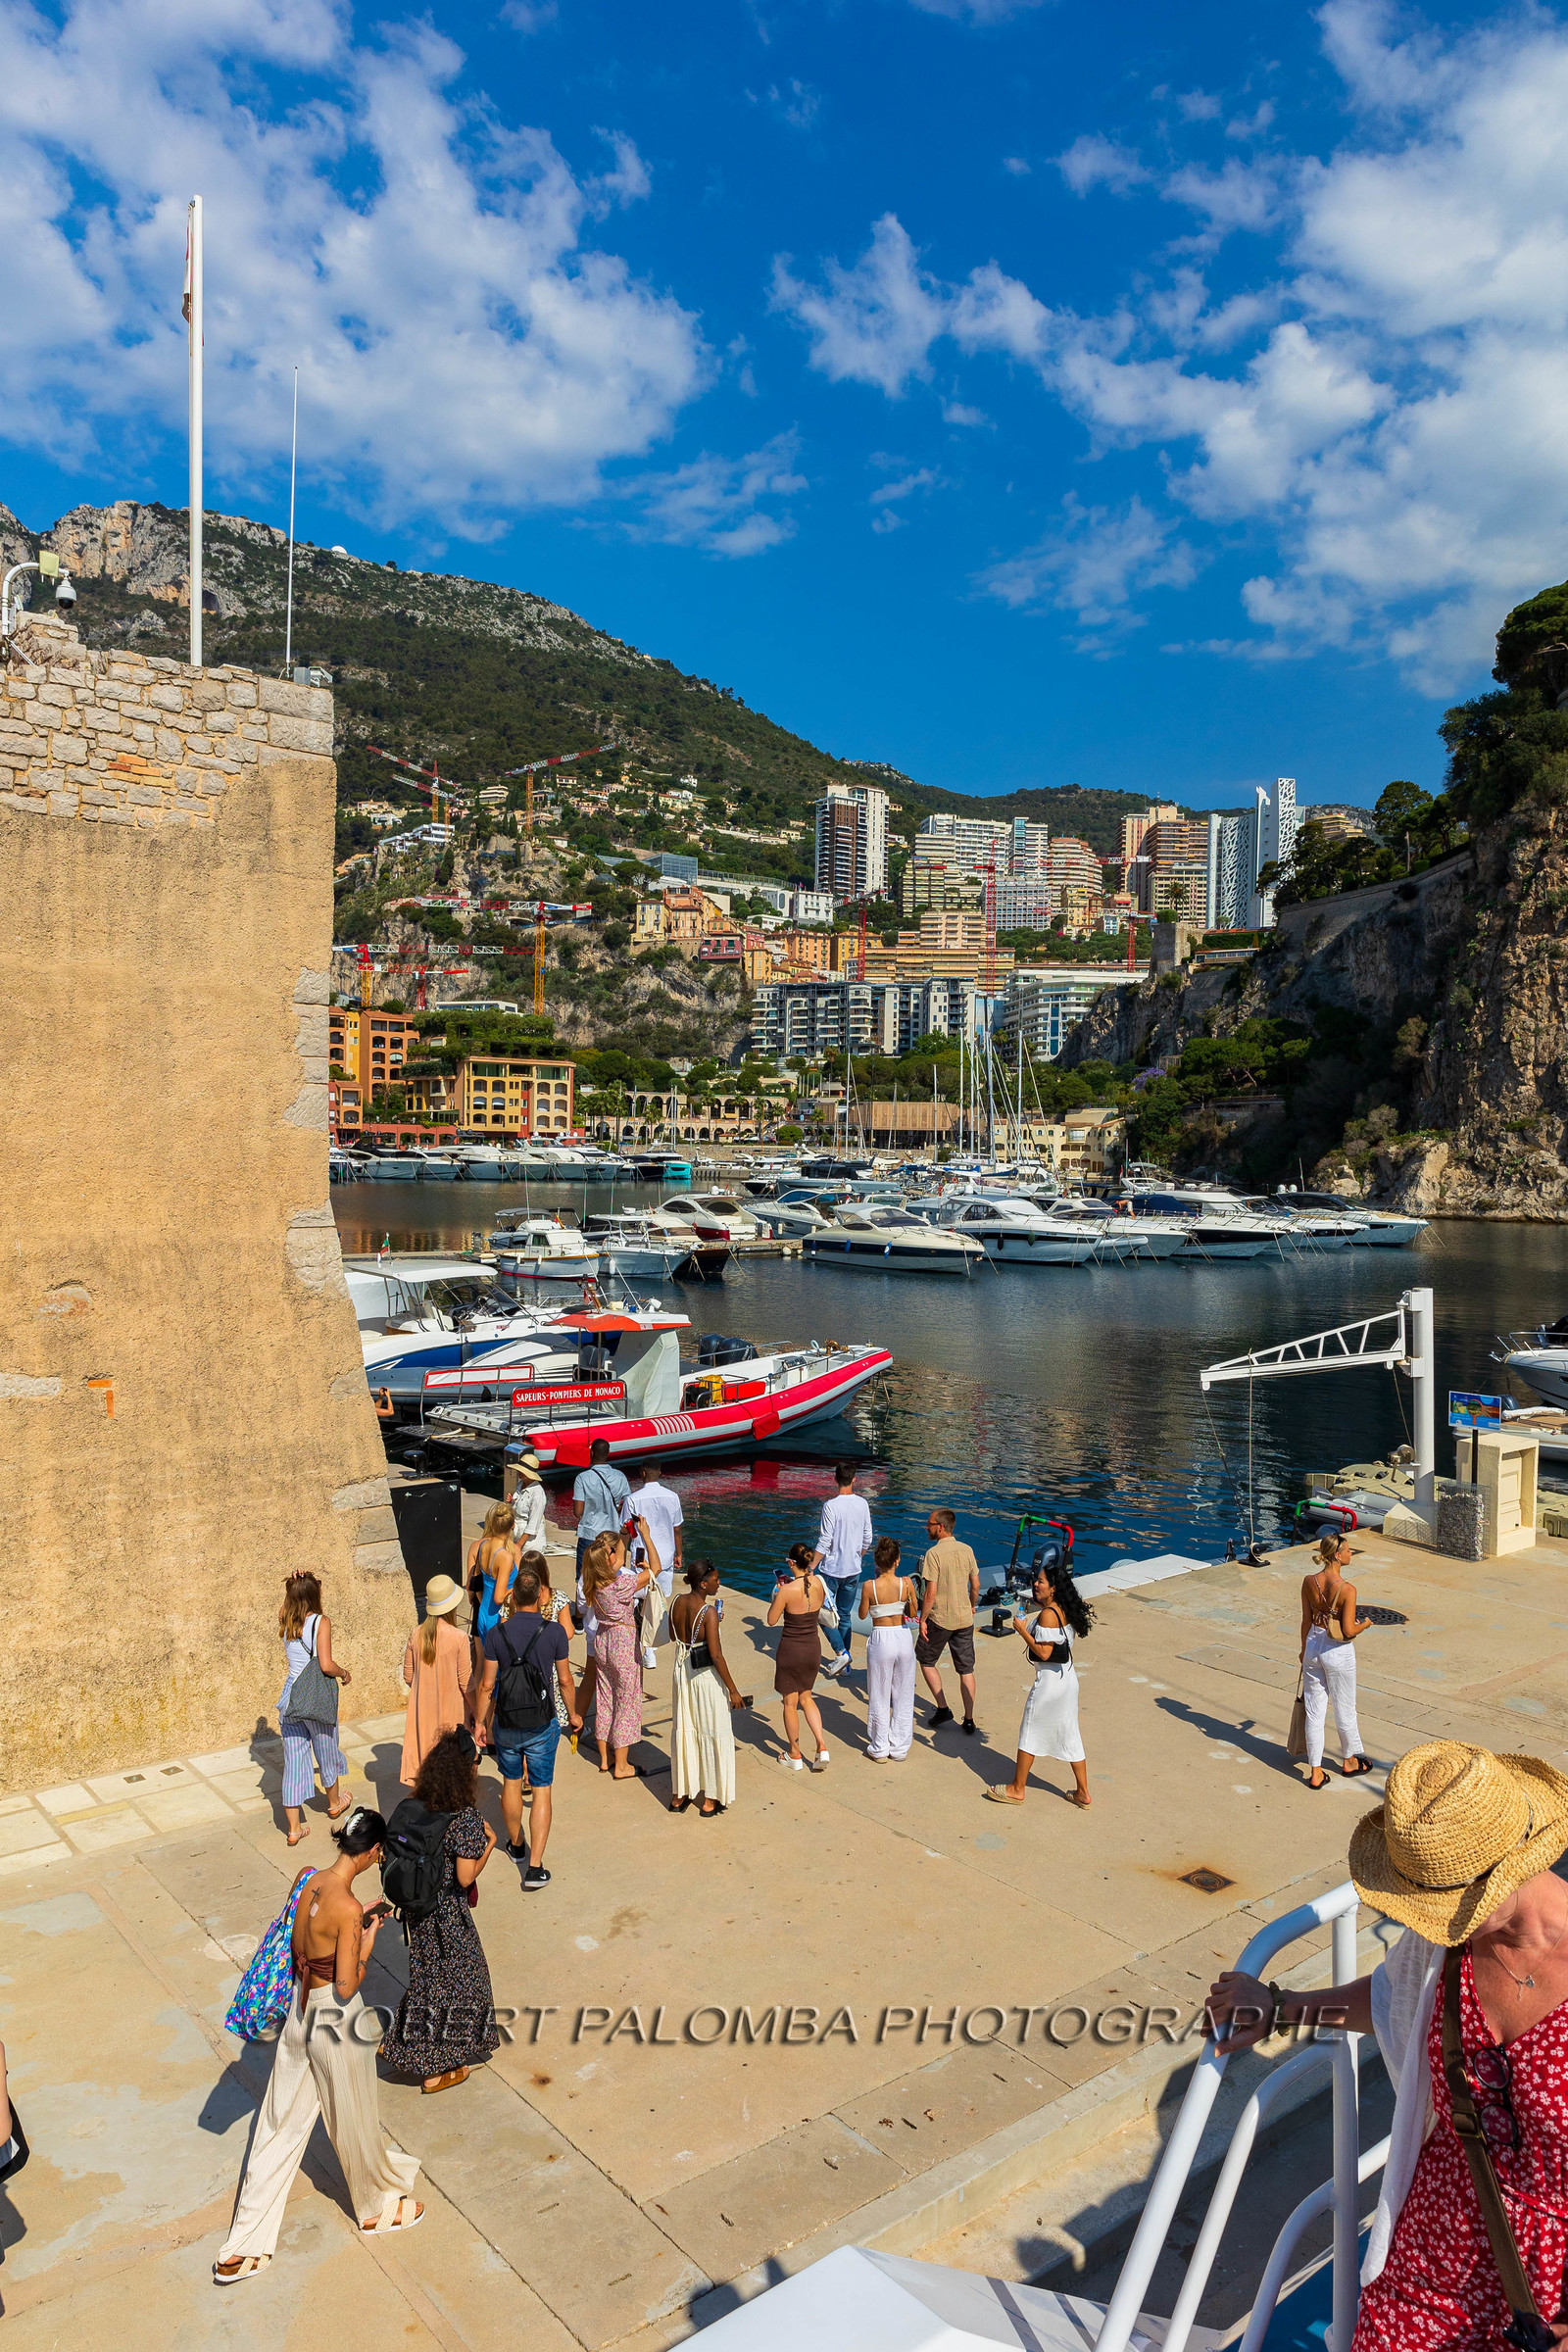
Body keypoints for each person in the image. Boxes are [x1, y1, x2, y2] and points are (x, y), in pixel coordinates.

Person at [1208, 1740, 1568, 2352]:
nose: (1427, 1920)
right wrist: (1281, 2006)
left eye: (1443, 1901)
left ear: (1511, 1865)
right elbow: (1389, 1998)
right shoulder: (1447, 1941)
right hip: (1432, 2242)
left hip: (1553, 2285)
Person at [214, 1807, 422, 2281]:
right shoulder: (349, 1908)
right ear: (372, 1852)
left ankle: (242, 2245)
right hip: (334, 2017)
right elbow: (347, 1985)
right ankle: (375, 2208)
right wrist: (365, 1941)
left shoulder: (306, 1878)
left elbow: (306, 1937)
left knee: (276, 2124)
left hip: (298, 2011)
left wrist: (352, 1926)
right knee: (353, 2115)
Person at [380, 1731, 501, 2094]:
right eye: (476, 1762)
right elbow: (465, 1876)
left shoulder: (416, 1803)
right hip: (448, 1915)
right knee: (464, 1983)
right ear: (466, 1770)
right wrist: (490, 1845)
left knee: (428, 1978)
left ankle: (399, 2043)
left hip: (418, 1911)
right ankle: (434, 2070)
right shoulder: (464, 1818)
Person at [476, 1560, 581, 1890]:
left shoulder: (496, 1634)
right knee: (541, 1789)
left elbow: (486, 1685)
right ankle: (535, 1867)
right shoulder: (554, 1633)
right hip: (542, 1722)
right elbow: (565, 1680)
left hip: (506, 1722)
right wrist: (574, 1715)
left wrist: (480, 1722)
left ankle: (517, 1845)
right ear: (539, 1597)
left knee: (510, 1782)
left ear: (513, 1598)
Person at [985, 1557, 1095, 1807]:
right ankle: (1083, 1792)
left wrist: (1022, 1630)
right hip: (1067, 1679)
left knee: (1030, 1731)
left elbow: (1044, 1653)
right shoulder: (1063, 1608)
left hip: (1049, 1684)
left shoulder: (1047, 1615)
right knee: (1070, 1734)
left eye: (1041, 1581)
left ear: (1053, 1588)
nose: (1036, 1584)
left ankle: (1017, 1789)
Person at [277, 1573, 353, 1846]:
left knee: (294, 1761)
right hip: (315, 1698)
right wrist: (344, 1673)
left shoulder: (286, 1618)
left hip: (291, 1698)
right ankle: (334, 1804)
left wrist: (294, 1585)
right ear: (314, 1595)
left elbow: (286, 1605)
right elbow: (326, 1665)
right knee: (326, 1750)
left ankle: (294, 1829)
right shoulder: (321, 1622)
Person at [668, 1558, 748, 1815]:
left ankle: (680, 1794)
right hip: (704, 1677)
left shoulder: (677, 1601)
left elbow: (672, 1635)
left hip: (682, 1671)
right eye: (715, 1580)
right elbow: (716, 1656)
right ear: (703, 1584)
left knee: (685, 1727)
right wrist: (733, 1690)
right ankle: (710, 1799)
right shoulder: (709, 1612)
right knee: (713, 1730)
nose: (719, 1583)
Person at [582, 1524, 657, 1778]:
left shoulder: (594, 1582)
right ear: (610, 1557)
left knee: (605, 1698)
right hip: (622, 1642)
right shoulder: (620, 1583)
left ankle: (605, 1758)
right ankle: (622, 1765)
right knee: (626, 1701)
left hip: (603, 1640)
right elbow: (656, 1569)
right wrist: (646, 1536)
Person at [1300, 1532, 1373, 1790]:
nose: (1351, 1553)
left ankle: (1316, 1772)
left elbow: (1306, 1621)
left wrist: (1303, 1651)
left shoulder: (1309, 1581)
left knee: (1314, 1711)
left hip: (1313, 1646)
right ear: (1338, 1556)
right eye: (1349, 1550)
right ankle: (1349, 1761)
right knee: (1344, 1707)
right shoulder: (1347, 1590)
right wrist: (1365, 1624)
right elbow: (1348, 1630)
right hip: (1337, 1651)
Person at [400, 1574, 474, 1788]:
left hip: (421, 1714)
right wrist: (477, 1713)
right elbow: (466, 1683)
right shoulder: (459, 1637)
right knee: (452, 1776)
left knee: (424, 1774)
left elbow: (408, 1676)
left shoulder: (416, 1634)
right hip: (452, 1715)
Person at [916, 1507, 980, 1735]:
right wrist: (971, 1605)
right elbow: (976, 1585)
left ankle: (943, 1707)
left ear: (940, 1527)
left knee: (926, 1659)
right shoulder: (967, 1549)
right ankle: (969, 1719)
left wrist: (922, 1619)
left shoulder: (933, 1554)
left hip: (941, 1619)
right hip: (964, 1619)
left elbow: (930, 1592)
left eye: (930, 1524)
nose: (927, 1527)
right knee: (966, 1669)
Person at [767, 1542, 829, 1772]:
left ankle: (794, 1753)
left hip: (791, 1650)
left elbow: (771, 1620)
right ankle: (821, 1745)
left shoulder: (786, 1590)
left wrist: (777, 1592)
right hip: (813, 1648)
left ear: (792, 1563)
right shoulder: (819, 1583)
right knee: (807, 1697)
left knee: (790, 1702)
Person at [809, 1461, 873, 1681]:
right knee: (844, 1616)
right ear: (854, 1479)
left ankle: (841, 1653)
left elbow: (825, 1540)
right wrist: (858, 1556)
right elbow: (867, 1537)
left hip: (831, 1569)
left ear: (835, 1479)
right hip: (853, 1569)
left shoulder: (831, 1506)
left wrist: (811, 1566)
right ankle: (845, 1665)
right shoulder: (863, 1503)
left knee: (822, 1613)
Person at [860, 1535, 918, 1762]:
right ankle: (899, 1747)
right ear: (897, 1560)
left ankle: (879, 1747)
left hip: (881, 1637)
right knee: (903, 1694)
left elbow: (863, 1614)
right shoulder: (907, 1583)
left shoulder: (869, 1586)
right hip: (902, 1636)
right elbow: (912, 1613)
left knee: (879, 1693)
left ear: (877, 1561)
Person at [631, 1460, 684, 1668]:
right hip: (665, 1555)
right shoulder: (673, 1497)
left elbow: (626, 1529)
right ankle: (650, 1650)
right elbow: (677, 1529)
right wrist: (679, 1553)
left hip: (642, 1555)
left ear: (642, 1473)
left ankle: (642, 1645)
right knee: (658, 1600)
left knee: (640, 1600)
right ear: (660, 1472)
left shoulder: (633, 1498)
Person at [572, 1438, 631, 1577]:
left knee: (584, 1578)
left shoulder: (582, 1478)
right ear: (608, 1453)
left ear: (591, 1453)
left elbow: (578, 1511)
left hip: (589, 1533)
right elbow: (628, 1504)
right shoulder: (620, 1476)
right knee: (610, 1575)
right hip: (612, 1534)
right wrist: (615, 1509)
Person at [466, 1500, 520, 1644]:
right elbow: (498, 1598)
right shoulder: (506, 1557)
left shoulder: (483, 1546)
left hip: (483, 1614)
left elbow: (475, 1581)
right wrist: (517, 1588)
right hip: (498, 1618)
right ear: (512, 1526)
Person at [509, 1450, 548, 1554]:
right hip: (517, 1537)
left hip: (530, 1545)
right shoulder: (520, 1484)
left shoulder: (537, 1494)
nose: (519, 1472)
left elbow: (533, 1524)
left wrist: (519, 1545)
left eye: (522, 1471)